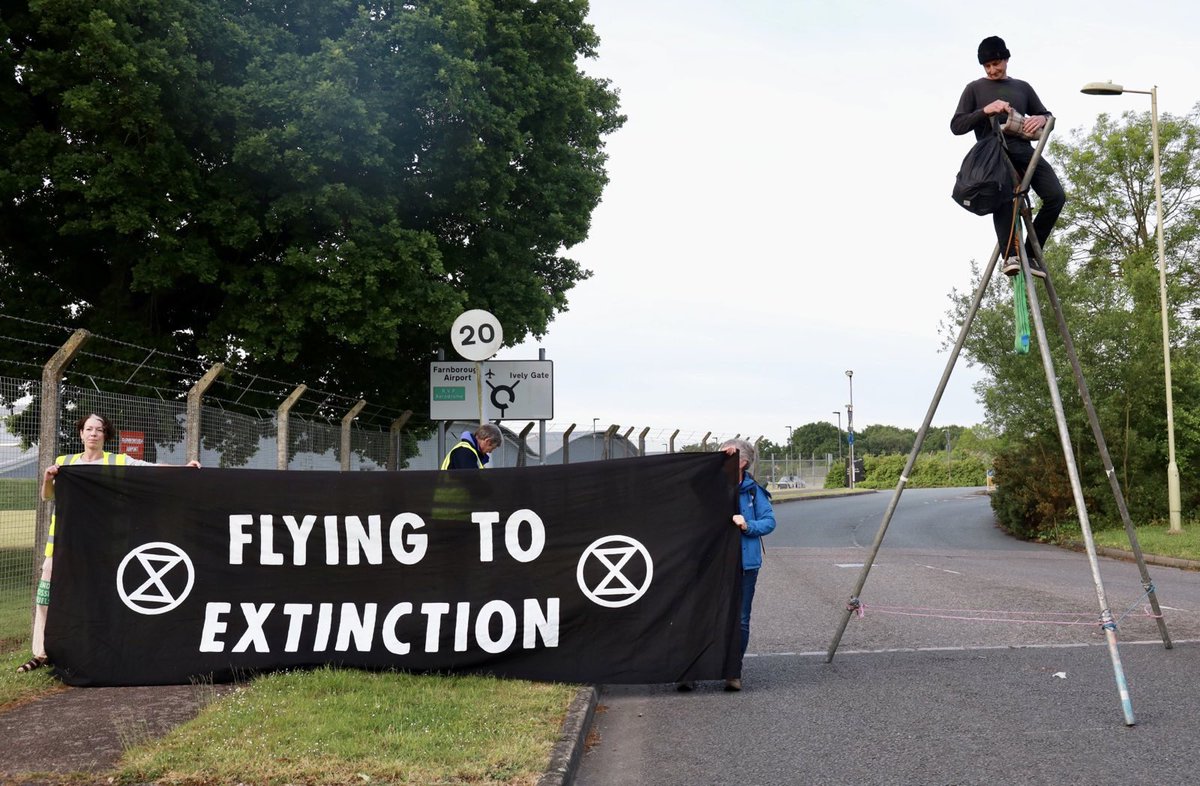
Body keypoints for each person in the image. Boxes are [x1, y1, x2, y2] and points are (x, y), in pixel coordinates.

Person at [17, 412, 201, 673]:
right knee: (46, 594)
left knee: (97, 596)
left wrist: (185, 469)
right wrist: (49, 478)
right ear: (81, 433)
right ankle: (42, 652)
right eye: (89, 429)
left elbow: (146, 468)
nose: (93, 434)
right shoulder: (64, 463)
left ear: (106, 435)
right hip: (63, 544)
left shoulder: (116, 462)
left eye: (99, 430)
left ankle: (98, 648)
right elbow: (48, 497)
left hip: (101, 544)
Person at [951, 35, 1066, 279]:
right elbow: (957, 125)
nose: (992, 70)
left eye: (996, 64)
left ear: (1006, 59)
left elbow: (1046, 114)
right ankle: (1010, 255)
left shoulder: (1022, 87)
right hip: (991, 153)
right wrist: (986, 110)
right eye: (987, 66)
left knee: (1056, 196)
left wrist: (1043, 119)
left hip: (1023, 149)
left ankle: (1031, 253)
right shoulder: (974, 88)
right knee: (1005, 193)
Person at [680, 438, 776, 692]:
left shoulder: (754, 490)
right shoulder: (710, 484)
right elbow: (691, 483)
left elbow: (769, 522)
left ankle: (733, 671)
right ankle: (691, 671)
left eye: (727, 458)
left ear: (742, 463)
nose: (720, 460)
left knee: (740, 619)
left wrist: (747, 524)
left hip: (745, 565)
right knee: (700, 615)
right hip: (710, 562)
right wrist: (721, 458)